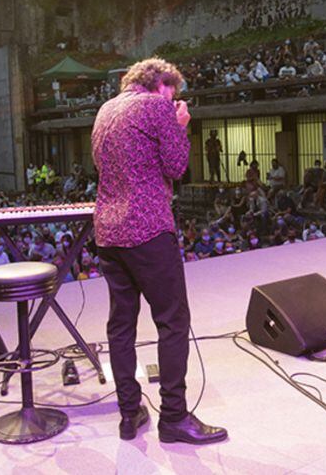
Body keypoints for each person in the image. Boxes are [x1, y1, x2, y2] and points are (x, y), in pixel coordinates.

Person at [91, 57, 227, 444]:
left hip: (108, 231)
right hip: (148, 228)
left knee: (121, 325)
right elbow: (177, 165)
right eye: (174, 93)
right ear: (160, 83)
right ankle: (173, 418)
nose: (175, 101)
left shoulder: (105, 109)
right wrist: (180, 125)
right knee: (172, 322)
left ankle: (128, 413)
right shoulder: (157, 107)